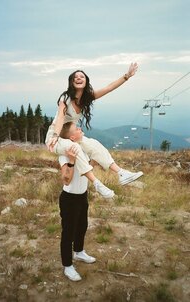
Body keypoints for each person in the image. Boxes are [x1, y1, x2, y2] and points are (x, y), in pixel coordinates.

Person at [45, 63, 143, 193]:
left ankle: (121, 173)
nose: (78, 78)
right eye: (75, 77)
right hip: (55, 137)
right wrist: (55, 136)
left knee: (95, 144)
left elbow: (108, 88)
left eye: (82, 77)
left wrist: (127, 76)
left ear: (86, 81)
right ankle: (97, 184)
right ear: (71, 82)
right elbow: (61, 118)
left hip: (70, 134)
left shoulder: (87, 98)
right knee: (76, 148)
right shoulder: (66, 98)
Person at [59, 143, 96, 282]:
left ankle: (79, 252)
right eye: (77, 128)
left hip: (82, 195)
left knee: (82, 226)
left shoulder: (84, 151)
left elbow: (87, 170)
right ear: (70, 136)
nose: (81, 130)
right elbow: (66, 180)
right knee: (68, 232)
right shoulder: (64, 154)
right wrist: (71, 160)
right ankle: (67, 265)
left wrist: (94, 159)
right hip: (69, 198)